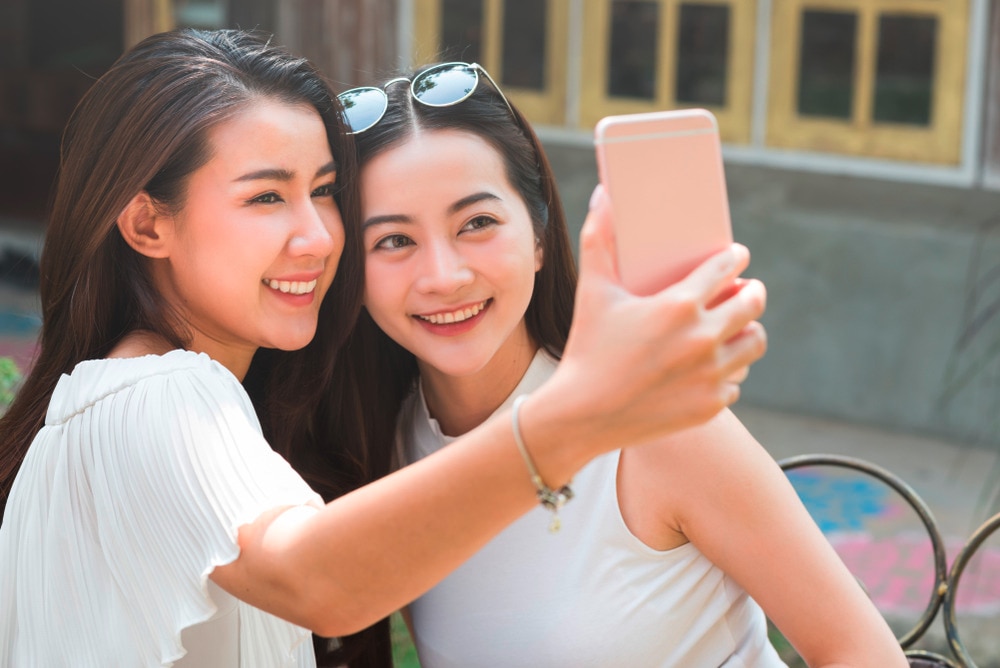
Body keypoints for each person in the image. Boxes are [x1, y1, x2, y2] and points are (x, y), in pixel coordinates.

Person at [0, 30, 768, 668]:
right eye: (266, 196)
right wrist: (588, 411)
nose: (317, 236)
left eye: (326, 191)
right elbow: (315, 578)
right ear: (147, 226)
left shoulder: (154, 402)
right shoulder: (156, 397)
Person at [323, 62, 909, 667]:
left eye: (477, 223)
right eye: (393, 240)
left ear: (541, 236)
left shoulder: (660, 429)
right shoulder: (386, 446)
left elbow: (863, 656)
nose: (444, 277)